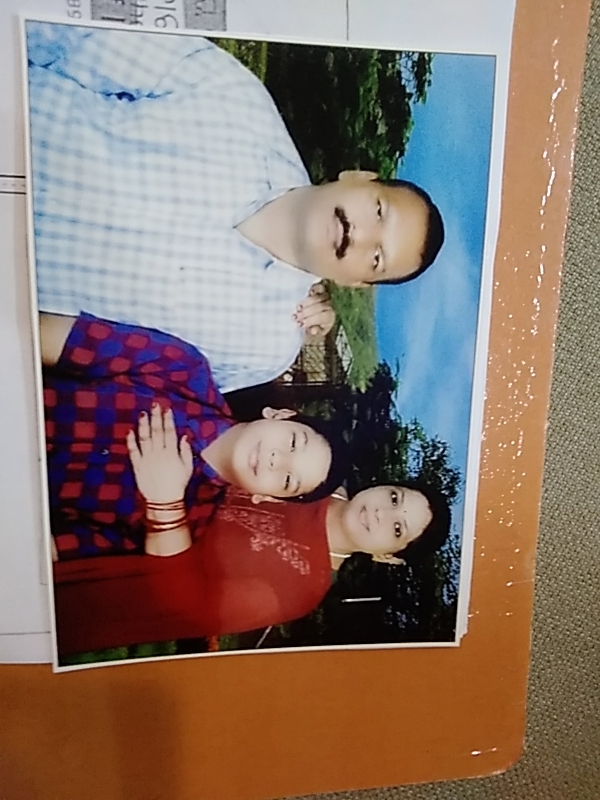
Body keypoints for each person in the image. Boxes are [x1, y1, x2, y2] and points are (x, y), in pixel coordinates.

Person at [26, 21, 445, 393]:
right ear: (357, 176)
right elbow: (64, 35)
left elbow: (125, 389)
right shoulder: (234, 97)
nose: (361, 234)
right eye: (378, 211)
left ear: (356, 283)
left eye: (377, 257)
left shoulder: (264, 349)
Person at [41, 312, 347, 562]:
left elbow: (48, 551)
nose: (276, 460)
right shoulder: (181, 369)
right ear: (279, 414)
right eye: (293, 442)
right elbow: (41, 334)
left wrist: (163, 503)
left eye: (287, 480)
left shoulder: (180, 523)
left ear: (266, 498)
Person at [53, 481, 451, 657]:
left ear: (388, 557)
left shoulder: (301, 590)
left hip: (93, 574)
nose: (382, 513)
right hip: (93, 490)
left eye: (397, 529)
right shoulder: (306, 474)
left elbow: (184, 606)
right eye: (394, 498)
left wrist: (165, 504)